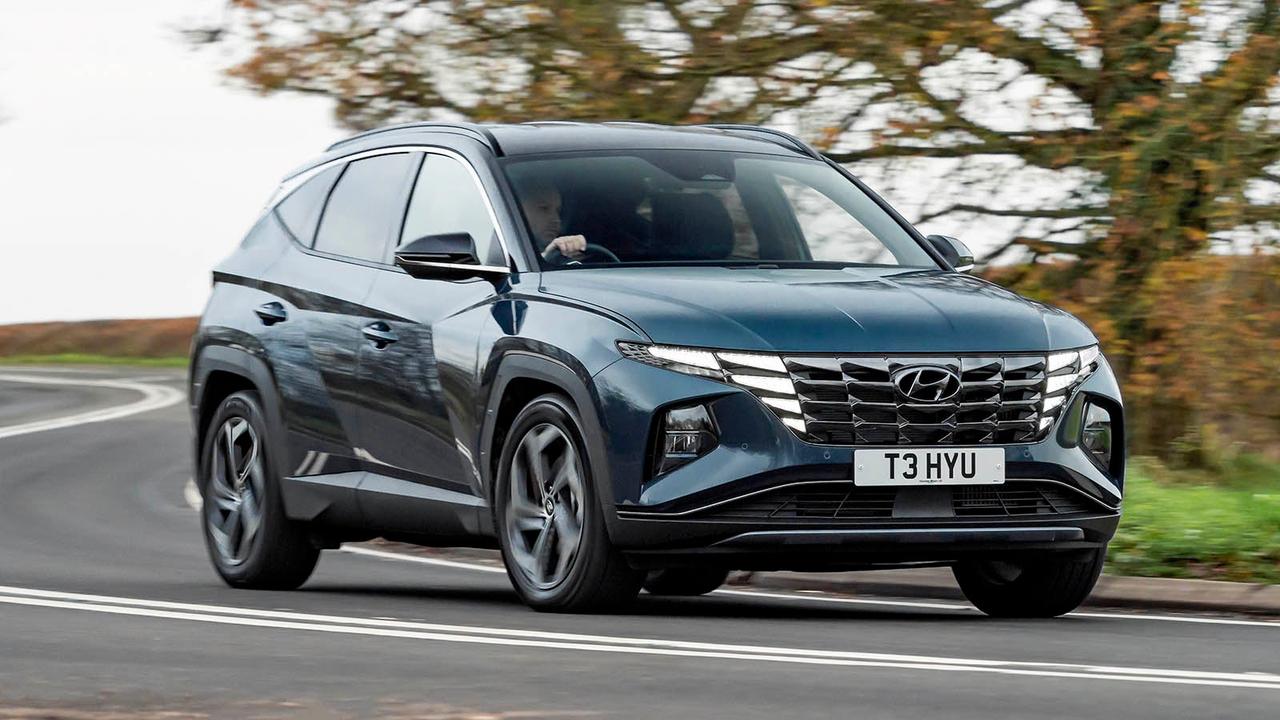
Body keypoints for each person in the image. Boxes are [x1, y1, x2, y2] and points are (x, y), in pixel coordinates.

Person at [512, 174, 587, 260]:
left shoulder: (566, 255)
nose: (556, 220)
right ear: (517, 209)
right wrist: (547, 257)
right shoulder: (500, 249)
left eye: (558, 211)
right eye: (544, 208)